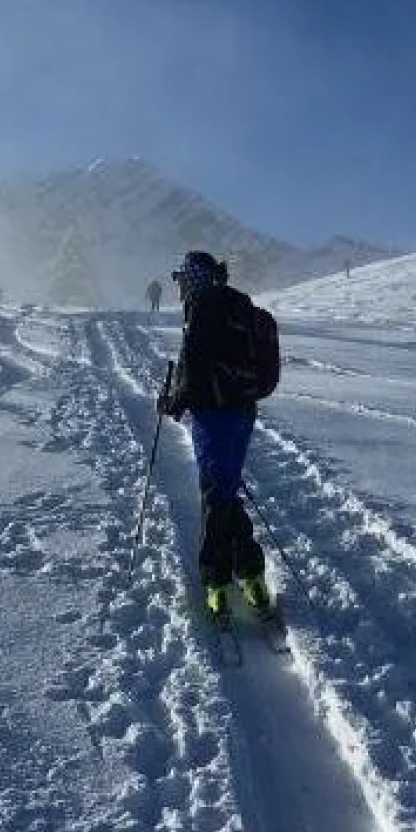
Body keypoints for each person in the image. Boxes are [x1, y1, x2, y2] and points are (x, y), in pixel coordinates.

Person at [157, 250, 272, 621]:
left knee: (215, 494)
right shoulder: (237, 302)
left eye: (181, 277)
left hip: (214, 414)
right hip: (243, 412)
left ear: (193, 277)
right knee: (225, 490)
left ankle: (218, 582)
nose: (179, 285)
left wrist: (172, 403)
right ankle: (251, 574)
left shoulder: (201, 305)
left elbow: (193, 365)